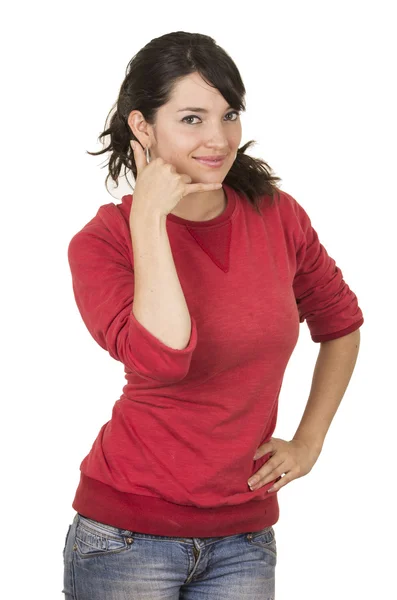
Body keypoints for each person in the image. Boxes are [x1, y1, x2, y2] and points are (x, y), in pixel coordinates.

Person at [62, 31, 364, 600]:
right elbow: (163, 359)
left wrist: (308, 442)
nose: (220, 139)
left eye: (229, 115)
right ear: (142, 127)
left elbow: (341, 324)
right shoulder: (102, 242)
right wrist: (150, 219)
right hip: (125, 537)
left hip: (243, 538)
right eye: (192, 119)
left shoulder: (277, 215)